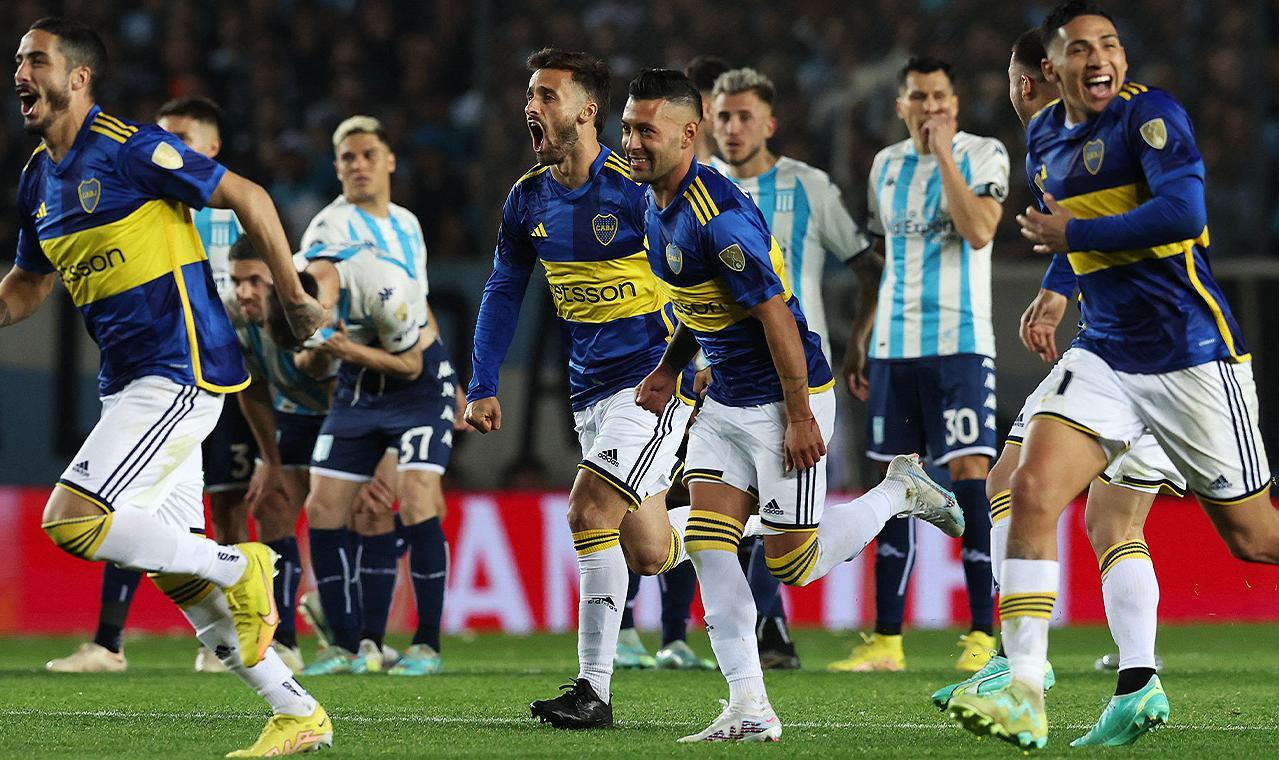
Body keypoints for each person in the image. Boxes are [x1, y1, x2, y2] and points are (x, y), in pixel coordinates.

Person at [948, 2, 1279, 750]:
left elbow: (1181, 212)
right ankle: (1023, 689)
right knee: (1028, 486)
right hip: (1104, 351)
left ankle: (1118, 677)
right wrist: (1058, 285)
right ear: (1052, 67)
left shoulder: (1149, 117)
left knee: (1255, 539)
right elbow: (1074, 229)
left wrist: (1077, 236)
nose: (1099, 58)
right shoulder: (1043, 137)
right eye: (1080, 48)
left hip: (1189, 353)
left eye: (1110, 44)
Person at [5, 17, 329, 755]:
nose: (20, 73)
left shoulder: (129, 149)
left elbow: (249, 195)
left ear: (78, 77)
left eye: (36, 60)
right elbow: (26, 286)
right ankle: (296, 711)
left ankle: (240, 563)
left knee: (71, 520)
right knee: (176, 573)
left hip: (178, 369)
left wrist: (290, 295)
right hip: (128, 383)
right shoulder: (37, 180)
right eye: (18, 60)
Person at [623, 68, 964, 743]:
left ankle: (897, 492)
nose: (631, 142)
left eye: (646, 131)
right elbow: (699, 301)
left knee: (793, 565)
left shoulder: (717, 219)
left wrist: (801, 415)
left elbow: (776, 315)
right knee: (710, 545)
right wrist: (668, 370)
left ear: (688, 135)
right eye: (628, 128)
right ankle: (749, 707)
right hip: (724, 399)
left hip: (785, 400)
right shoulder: (653, 203)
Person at [931, 26, 1178, 722]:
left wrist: (1061, 286)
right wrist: (1056, 289)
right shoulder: (1101, 132)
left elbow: (1109, 219)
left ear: (1027, 81)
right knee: (1113, 522)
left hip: (1128, 352)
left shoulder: (1077, 136)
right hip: (1160, 352)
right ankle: (1135, 681)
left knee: (1013, 484)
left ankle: (1022, 661)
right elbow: (1098, 224)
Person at [465, 49, 696, 730]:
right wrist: (482, 382)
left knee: (587, 511)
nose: (531, 107)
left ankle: (593, 690)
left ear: (588, 111)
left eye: (547, 95)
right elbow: (503, 288)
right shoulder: (527, 198)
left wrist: (699, 354)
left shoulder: (634, 189)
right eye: (529, 95)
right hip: (588, 393)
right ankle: (746, 515)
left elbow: (700, 270)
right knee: (648, 552)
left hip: (651, 383)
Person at [44, 95, 260, 675]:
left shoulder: (226, 213)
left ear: (211, 148)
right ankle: (116, 640)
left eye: (181, 138)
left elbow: (259, 287)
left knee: (209, 507)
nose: (167, 147)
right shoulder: (144, 200)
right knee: (140, 510)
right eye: (162, 134)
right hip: (164, 373)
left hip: (222, 375)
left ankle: (239, 614)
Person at [841, 55, 1008, 674]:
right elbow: (880, 257)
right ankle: (887, 640)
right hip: (894, 347)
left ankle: (982, 633)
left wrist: (943, 157)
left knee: (970, 473)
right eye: (918, 97)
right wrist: (863, 334)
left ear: (954, 105)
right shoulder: (884, 166)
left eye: (939, 97)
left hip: (960, 342)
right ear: (901, 106)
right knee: (895, 483)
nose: (929, 107)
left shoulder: (983, 154)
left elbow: (980, 231)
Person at [709, 66, 874, 671]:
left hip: (797, 376)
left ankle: (768, 623)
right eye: (723, 116)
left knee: (787, 533)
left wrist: (858, 342)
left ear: (769, 124)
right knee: (713, 516)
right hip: (717, 374)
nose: (732, 128)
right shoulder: (695, 185)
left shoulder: (808, 187)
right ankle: (744, 637)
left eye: (744, 116)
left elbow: (867, 266)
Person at [299, 115, 461, 676]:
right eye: (348, 157)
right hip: (359, 380)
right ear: (336, 167)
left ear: (389, 160)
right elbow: (322, 315)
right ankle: (353, 645)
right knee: (335, 508)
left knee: (412, 501)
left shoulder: (408, 225)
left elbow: (417, 308)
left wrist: (453, 382)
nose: (359, 165)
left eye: (369, 154)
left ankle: (426, 645)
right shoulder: (327, 228)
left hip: (417, 377)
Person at [224, 237, 341, 673]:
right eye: (237, 281)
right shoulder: (235, 316)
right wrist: (269, 462)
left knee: (358, 512)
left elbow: (342, 382)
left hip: (350, 414)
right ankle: (285, 641)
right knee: (270, 504)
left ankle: (353, 628)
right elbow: (252, 388)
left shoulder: (314, 309)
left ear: (281, 278)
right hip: (295, 414)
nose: (244, 292)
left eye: (255, 280)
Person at [683, 55, 730, 163]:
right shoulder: (659, 168)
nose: (734, 127)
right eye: (726, 114)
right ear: (706, 109)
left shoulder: (726, 171)